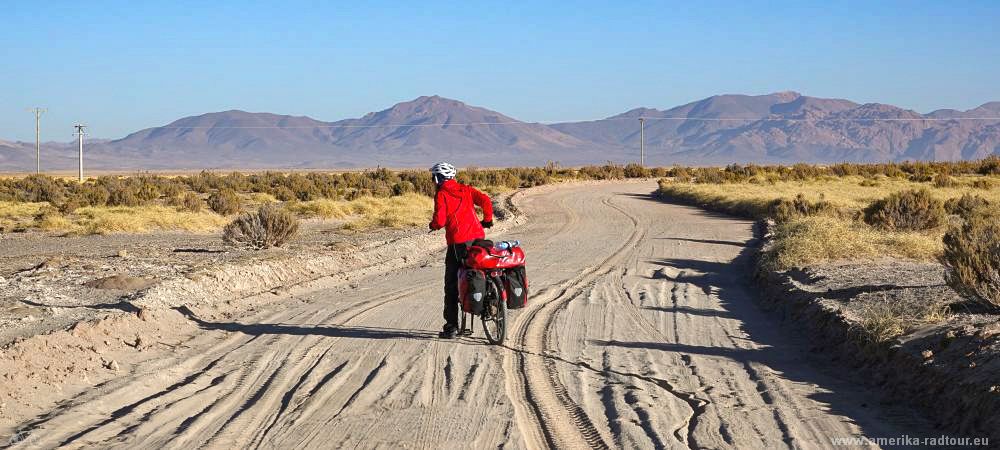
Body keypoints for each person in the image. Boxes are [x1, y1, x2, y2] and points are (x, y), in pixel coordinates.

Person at [428, 162, 493, 339]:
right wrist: (487, 219)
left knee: (451, 284)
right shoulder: (466, 189)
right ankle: (490, 302)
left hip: (458, 243)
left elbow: (440, 220)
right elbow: (486, 200)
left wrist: (433, 225)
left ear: (437, 178)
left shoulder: (441, 194)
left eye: (433, 177)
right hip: (478, 238)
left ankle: (451, 327)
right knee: (481, 269)